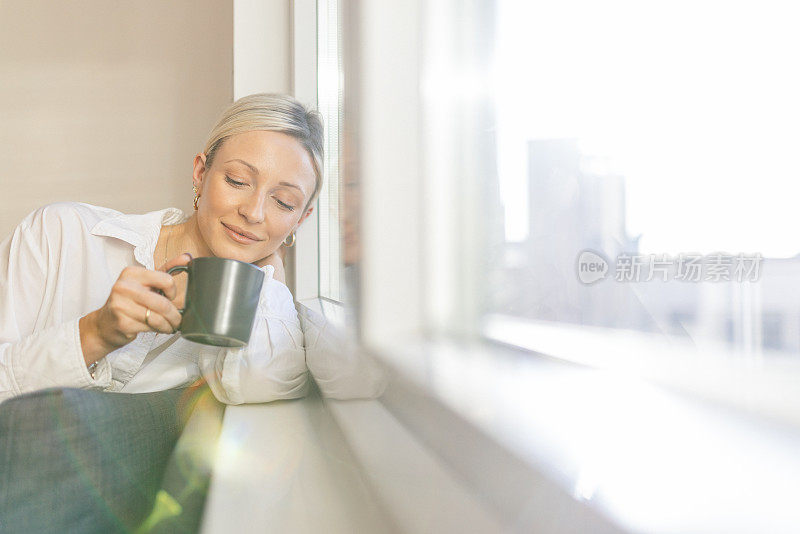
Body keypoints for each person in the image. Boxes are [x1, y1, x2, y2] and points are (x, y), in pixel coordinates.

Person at [0, 93, 323, 404]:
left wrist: (270, 269)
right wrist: (95, 334)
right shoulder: (61, 232)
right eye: (237, 181)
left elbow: (265, 386)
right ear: (200, 173)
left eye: (283, 202)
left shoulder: (249, 311)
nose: (254, 213)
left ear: (301, 218)